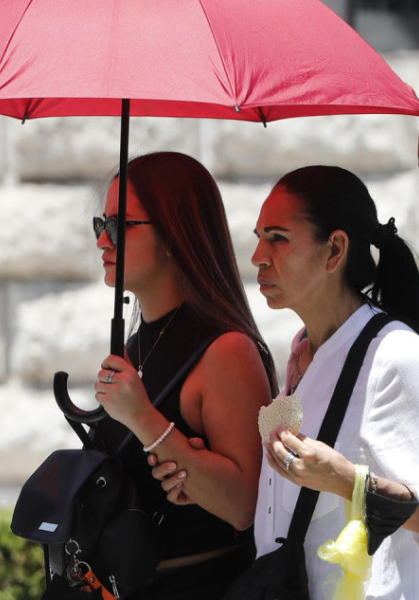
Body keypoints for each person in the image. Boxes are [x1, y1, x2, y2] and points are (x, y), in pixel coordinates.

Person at [162, 164, 419, 598]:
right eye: (258, 237)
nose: (258, 256)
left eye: (278, 237)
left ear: (334, 250)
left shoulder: (395, 356)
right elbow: (300, 503)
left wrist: (347, 480)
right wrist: (202, 481)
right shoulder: (300, 353)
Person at [88, 152, 275, 599]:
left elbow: (244, 506)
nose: (102, 241)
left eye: (120, 226)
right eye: (101, 224)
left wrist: (147, 421)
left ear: (175, 232)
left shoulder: (226, 350)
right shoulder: (137, 346)